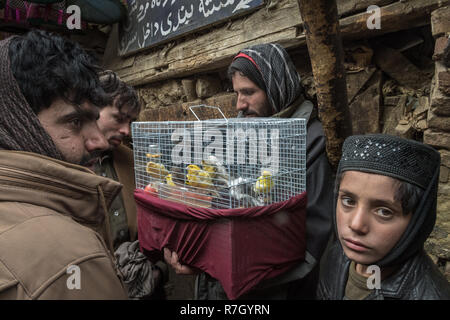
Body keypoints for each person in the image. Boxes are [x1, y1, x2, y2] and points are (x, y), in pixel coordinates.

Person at [164, 42, 334, 299]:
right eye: (237, 93)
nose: (240, 104)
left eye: (249, 92)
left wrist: (226, 270)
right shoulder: (242, 132)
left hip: (275, 291)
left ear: (276, 88)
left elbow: (314, 239)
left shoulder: (310, 141)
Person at [0, 30, 127, 299]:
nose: (99, 141)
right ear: (17, 122)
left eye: (95, 120)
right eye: (75, 122)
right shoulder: (71, 257)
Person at [317, 134, 450, 300]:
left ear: (417, 221)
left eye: (384, 212)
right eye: (348, 201)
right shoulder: (336, 255)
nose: (356, 225)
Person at [95, 70, 168, 299]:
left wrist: (157, 273)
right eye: (118, 118)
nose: (126, 131)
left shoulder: (133, 160)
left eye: (131, 122)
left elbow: (155, 224)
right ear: (92, 110)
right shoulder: (70, 164)